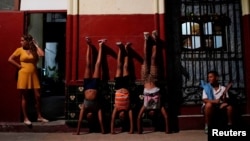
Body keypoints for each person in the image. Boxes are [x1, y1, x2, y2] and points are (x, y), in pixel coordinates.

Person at [8, 34, 49, 125]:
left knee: (38, 96)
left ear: (28, 41)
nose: (21, 42)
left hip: (34, 75)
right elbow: (10, 59)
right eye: (21, 40)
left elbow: (42, 54)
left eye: (23, 40)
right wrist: (19, 66)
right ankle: (26, 118)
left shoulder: (34, 50)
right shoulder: (19, 50)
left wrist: (36, 45)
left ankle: (39, 116)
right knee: (24, 97)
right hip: (23, 75)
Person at [137, 31, 169, 134]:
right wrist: (167, 131)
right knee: (154, 58)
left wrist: (139, 131)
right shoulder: (158, 106)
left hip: (145, 79)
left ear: (147, 113)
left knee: (146, 58)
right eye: (152, 115)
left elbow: (138, 117)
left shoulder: (145, 106)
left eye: (149, 114)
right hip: (154, 79)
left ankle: (146, 39)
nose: (150, 113)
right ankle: (155, 39)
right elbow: (166, 116)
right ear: (154, 114)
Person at [75, 37, 105, 135]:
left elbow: (79, 120)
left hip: (87, 86)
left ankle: (89, 45)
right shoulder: (97, 108)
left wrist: (78, 132)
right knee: (97, 65)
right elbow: (100, 120)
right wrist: (103, 131)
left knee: (88, 64)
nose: (89, 116)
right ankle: (101, 46)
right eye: (90, 118)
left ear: (86, 116)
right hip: (95, 86)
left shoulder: (84, 107)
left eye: (88, 117)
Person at [110, 42, 134, 134]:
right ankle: (126, 49)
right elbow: (132, 120)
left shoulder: (117, 108)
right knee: (125, 66)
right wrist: (131, 130)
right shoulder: (128, 109)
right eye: (123, 117)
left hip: (118, 87)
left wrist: (112, 130)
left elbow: (112, 119)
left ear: (118, 116)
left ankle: (120, 48)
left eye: (120, 117)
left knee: (119, 66)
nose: (122, 116)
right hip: (126, 87)